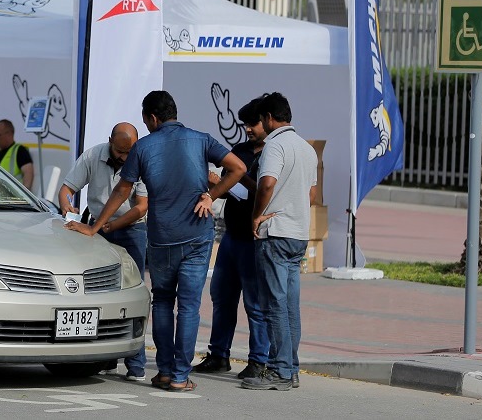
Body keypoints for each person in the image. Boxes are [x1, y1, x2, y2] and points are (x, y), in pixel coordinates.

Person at [67, 91, 246, 392]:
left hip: (162, 237)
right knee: (188, 306)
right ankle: (179, 376)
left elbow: (122, 192)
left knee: (162, 302)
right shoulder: (201, 139)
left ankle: (164, 371)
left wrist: (95, 227)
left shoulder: (143, 147)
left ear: (152, 118)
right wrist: (210, 196)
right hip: (197, 236)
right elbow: (238, 168)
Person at [58, 122, 149, 381]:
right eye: (119, 151)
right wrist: (67, 206)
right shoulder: (92, 156)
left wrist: (108, 226)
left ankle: (136, 364)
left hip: (130, 229)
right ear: (110, 140)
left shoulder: (140, 160)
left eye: (128, 152)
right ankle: (106, 357)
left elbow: (141, 207)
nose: (123, 158)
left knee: (132, 292)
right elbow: (67, 189)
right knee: (101, 291)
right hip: (98, 227)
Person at [241, 92, 318, 392]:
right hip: (298, 234)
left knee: (274, 304)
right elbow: (311, 195)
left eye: (261, 119)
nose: (260, 124)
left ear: (269, 119)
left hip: (275, 233)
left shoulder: (275, 145)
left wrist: (257, 215)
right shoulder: (306, 148)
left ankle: (280, 370)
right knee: (289, 305)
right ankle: (291, 368)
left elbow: (267, 183)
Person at [192, 98, 270, 379]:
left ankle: (259, 360)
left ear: (268, 120)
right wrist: (218, 184)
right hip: (231, 236)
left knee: (255, 303)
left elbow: (264, 190)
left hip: (255, 239)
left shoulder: (274, 152)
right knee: (221, 298)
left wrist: (239, 178)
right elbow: (227, 190)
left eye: (252, 124)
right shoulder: (239, 150)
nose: (247, 129)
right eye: (244, 125)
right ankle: (218, 355)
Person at [0, 119, 34, 189]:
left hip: (5, 195)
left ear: (9, 134)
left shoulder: (19, 151)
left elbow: (28, 173)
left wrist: (23, 197)